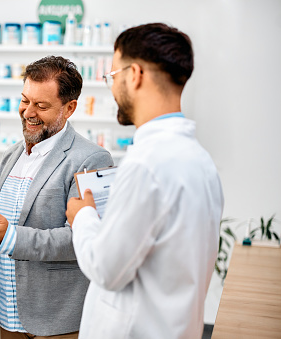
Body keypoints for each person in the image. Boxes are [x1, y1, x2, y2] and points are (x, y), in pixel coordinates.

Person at [65, 23, 225, 339]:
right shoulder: (201, 161)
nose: (112, 89)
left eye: (112, 77)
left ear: (134, 74)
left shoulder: (146, 164)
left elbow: (106, 269)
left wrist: (81, 215)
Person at [0, 56, 113, 338]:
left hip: (57, 319)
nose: (29, 112)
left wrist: (7, 237)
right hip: (8, 313)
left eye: (41, 106)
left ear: (70, 108)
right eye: (25, 100)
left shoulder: (91, 158)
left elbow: (84, 239)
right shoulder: (12, 154)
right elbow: (2, 221)